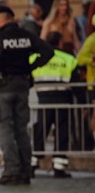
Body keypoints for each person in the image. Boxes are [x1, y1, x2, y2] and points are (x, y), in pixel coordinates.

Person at [0, 5, 54, 185]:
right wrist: (30, 67)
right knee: (21, 130)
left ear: (0, 20)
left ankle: (11, 171)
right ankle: (26, 171)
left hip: (2, 89)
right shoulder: (26, 36)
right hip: (22, 87)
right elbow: (48, 51)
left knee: (5, 131)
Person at [30, 31, 78, 178]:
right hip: (63, 100)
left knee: (40, 131)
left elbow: (28, 76)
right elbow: (76, 83)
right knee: (62, 132)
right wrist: (82, 102)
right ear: (60, 42)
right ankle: (59, 167)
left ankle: (33, 164)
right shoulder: (68, 58)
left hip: (44, 100)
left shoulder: (35, 57)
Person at [77, 13, 95, 142]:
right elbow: (80, 58)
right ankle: (90, 138)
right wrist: (92, 60)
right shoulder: (92, 40)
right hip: (93, 83)